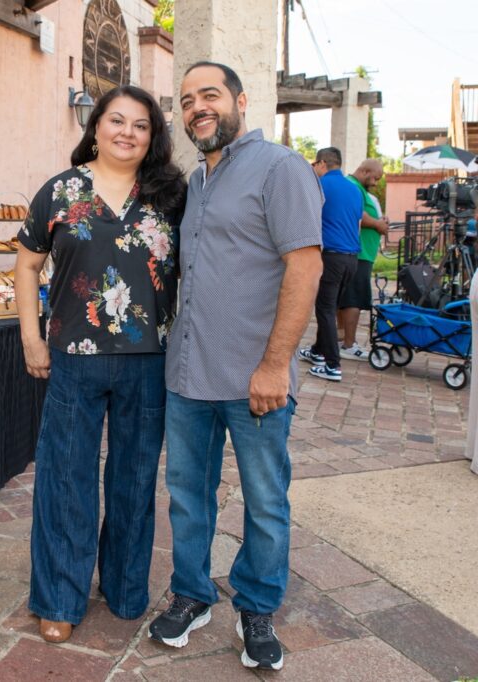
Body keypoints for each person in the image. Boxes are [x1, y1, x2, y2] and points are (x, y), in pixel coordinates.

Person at [148, 62, 322, 671]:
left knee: (265, 500)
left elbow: (305, 267)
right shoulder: (196, 182)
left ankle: (257, 607)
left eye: (210, 95)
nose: (198, 106)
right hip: (189, 375)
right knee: (187, 498)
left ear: (240, 101)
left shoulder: (280, 168)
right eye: (188, 98)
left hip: (255, 380)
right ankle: (193, 595)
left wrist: (277, 365)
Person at [14, 85, 186, 644]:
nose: (127, 132)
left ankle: (125, 587)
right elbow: (26, 265)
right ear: (96, 126)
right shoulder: (61, 191)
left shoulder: (170, 195)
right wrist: (31, 339)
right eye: (117, 120)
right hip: (73, 357)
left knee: (135, 480)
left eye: (141, 125)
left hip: (148, 361)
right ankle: (60, 598)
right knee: (67, 479)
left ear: (153, 136)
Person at [296, 147, 362, 381]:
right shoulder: (355, 190)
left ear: (323, 163)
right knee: (330, 306)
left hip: (331, 257)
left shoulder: (320, 185)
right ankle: (317, 351)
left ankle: (332, 365)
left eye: (315, 164)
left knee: (324, 310)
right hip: (352, 260)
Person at [338, 159, 390, 360]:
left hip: (360, 253)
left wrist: (379, 221)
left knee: (346, 298)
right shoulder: (353, 187)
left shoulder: (357, 188)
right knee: (354, 299)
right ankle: (349, 344)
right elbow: (357, 213)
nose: (376, 183)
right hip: (357, 253)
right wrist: (377, 224)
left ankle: (342, 337)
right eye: (375, 178)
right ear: (365, 171)